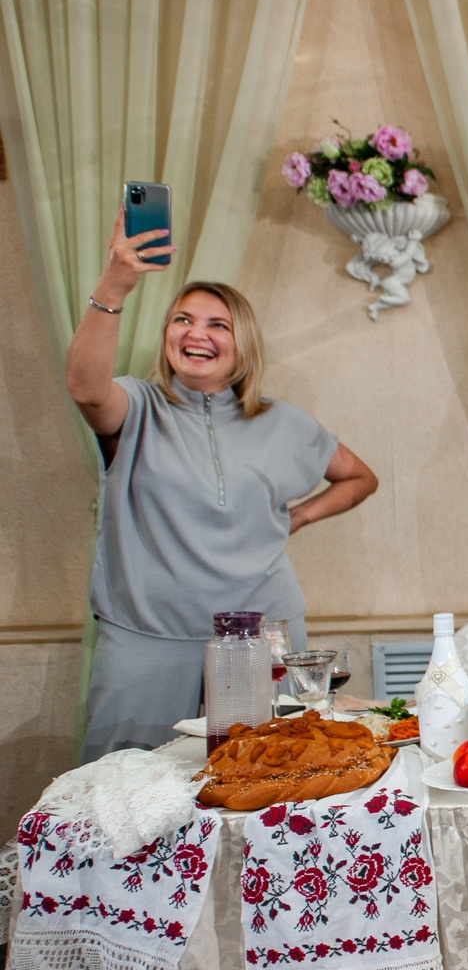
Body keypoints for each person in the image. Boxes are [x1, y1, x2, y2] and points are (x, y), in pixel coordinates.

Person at [67, 217, 377, 759]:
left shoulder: (282, 421)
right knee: (124, 794)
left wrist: (298, 517)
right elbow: (85, 388)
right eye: (182, 319)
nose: (196, 333)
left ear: (242, 344)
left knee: (266, 783)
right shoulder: (136, 406)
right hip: (147, 639)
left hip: (263, 642)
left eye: (217, 324)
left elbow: (360, 477)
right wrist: (114, 285)